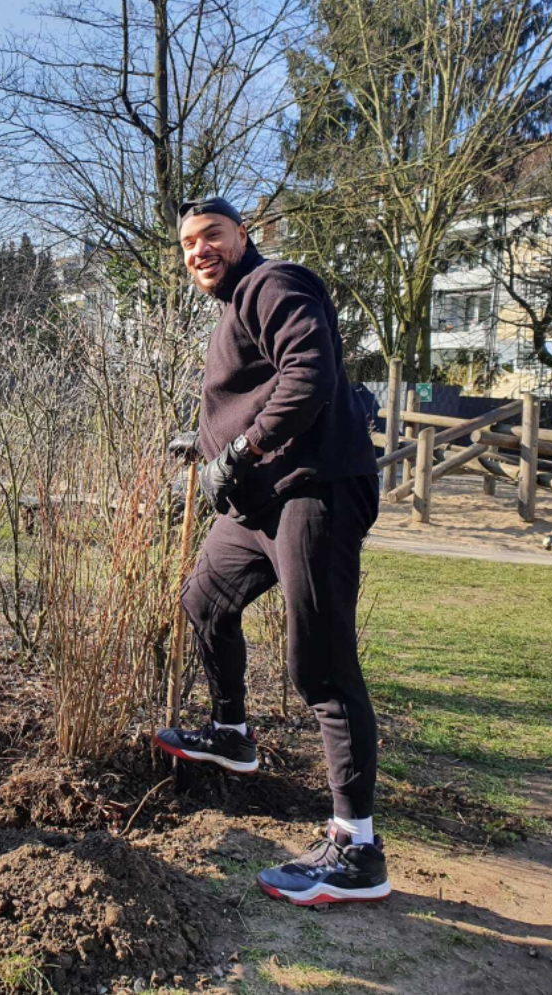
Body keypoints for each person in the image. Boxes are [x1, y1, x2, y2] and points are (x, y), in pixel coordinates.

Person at [155, 199, 388, 906]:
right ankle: (231, 731)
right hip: (260, 501)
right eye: (189, 244)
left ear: (243, 237)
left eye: (212, 237)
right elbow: (253, 391)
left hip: (312, 490)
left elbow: (308, 374)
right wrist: (200, 444)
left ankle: (358, 848)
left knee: (318, 664)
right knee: (203, 601)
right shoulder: (233, 310)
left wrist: (242, 447)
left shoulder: (270, 283)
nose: (200, 251)